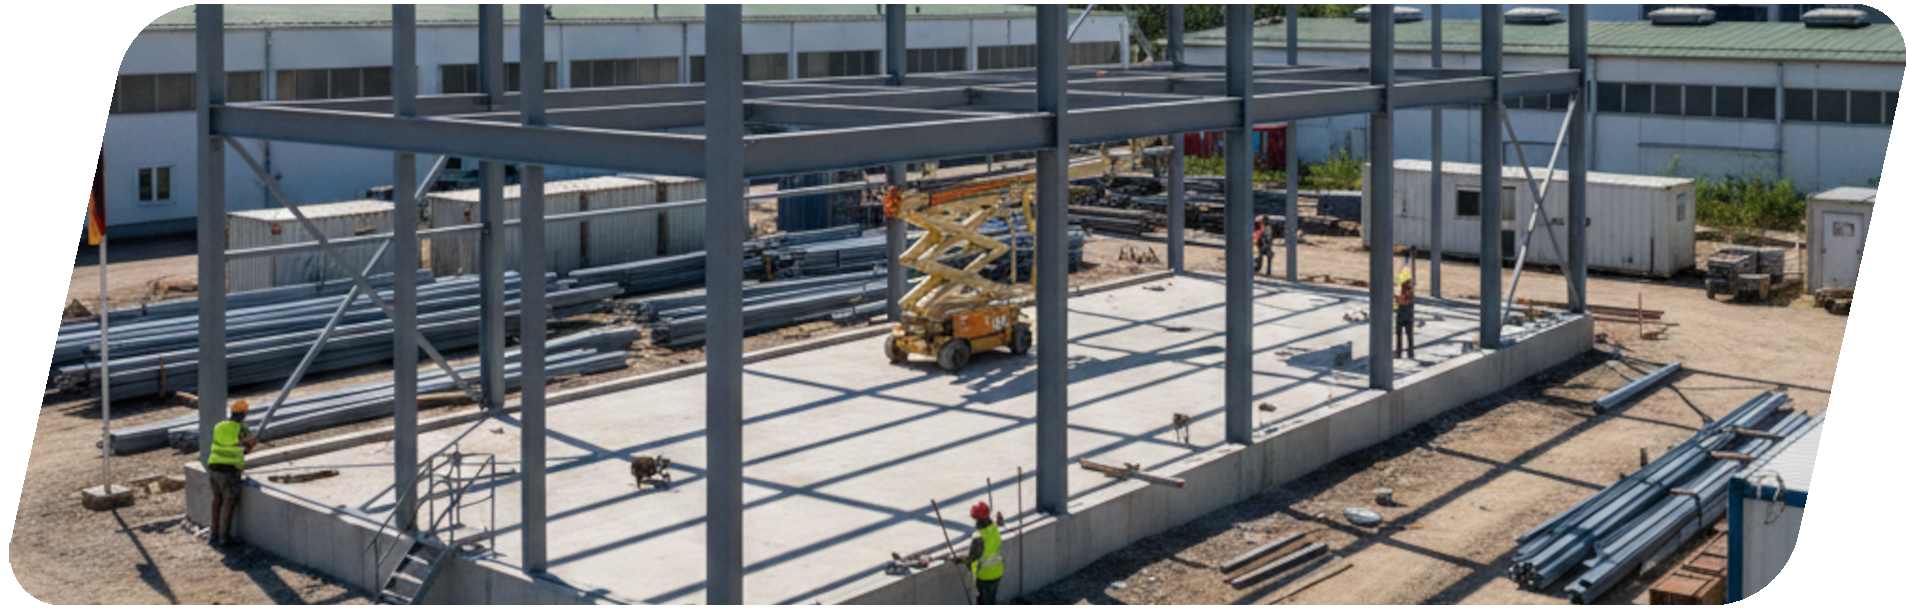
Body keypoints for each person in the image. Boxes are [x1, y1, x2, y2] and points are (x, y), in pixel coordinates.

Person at [206, 399, 259, 546]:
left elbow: (226, 443)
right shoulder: (241, 429)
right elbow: (246, 449)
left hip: (213, 467)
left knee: (217, 501)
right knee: (228, 503)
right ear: (244, 414)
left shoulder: (219, 426)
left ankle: (213, 535)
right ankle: (225, 538)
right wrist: (251, 443)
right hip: (229, 471)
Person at [959, 501, 1005, 605]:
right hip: (997, 572)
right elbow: (999, 523)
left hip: (984, 576)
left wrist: (957, 559)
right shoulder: (994, 529)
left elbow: (971, 559)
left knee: (983, 602)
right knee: (991, 600)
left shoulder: (979, 537)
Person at [1396, 251, 1417, 359]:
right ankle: (1410, 352)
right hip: (1408, 310)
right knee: (1408, 333)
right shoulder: (1409, 285)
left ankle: (1399, 352)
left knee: (1400, 332)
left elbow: (1401, 295)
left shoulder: (1405, 287)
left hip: (1403, 309)